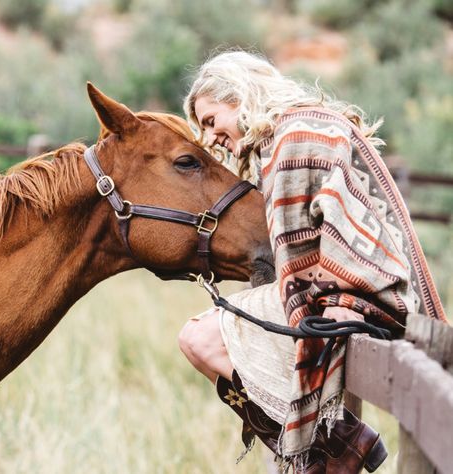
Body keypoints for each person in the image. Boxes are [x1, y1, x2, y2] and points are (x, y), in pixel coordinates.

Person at [178, 50, 446, 473]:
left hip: (365, 295)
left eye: (211, 121)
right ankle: (328, 445)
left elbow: (301, 262)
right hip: (372, 289)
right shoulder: (302, 127)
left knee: (198, 339)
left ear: (241, 97)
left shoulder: (292, 140)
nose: (210, 137)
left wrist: (318, 305)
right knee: (209, 333)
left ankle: (329, 445)